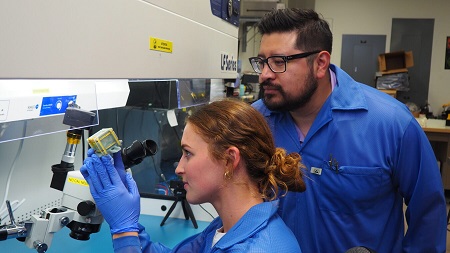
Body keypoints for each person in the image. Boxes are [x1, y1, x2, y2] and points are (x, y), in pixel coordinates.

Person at [249, 8, 447, 253]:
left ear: (320, 64)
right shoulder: (255, 123)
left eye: (279, 62)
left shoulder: (391, 123)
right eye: (261, 63)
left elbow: (428, 214)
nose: (264, 75)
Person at [80, 99, 306, 253]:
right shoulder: (227, 228)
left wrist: (124, 232)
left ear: (229, 160)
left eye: (188, 153)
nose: (178, 168)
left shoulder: (256, 248)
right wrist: (128, 225)